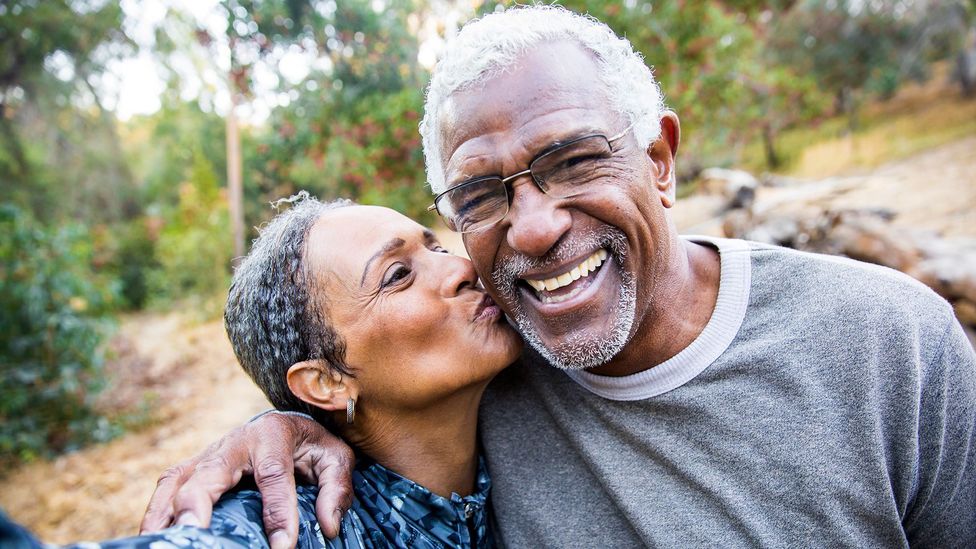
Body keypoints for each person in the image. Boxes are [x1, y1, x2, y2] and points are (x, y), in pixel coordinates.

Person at [140, 5, 976, 548]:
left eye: (573, 160)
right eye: (480, 195)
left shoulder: (888, 344)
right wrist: (278, 428)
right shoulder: (485, 374)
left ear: (660, 161)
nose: (534, 227)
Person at [3, 197, 522, 548]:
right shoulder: (296, 524)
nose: (460, 267)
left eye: (434, 245)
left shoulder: (547, 348)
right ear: (327, 382)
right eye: (398, 275)